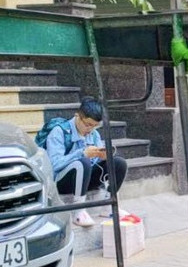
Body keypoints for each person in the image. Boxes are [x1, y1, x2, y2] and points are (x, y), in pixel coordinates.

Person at [45, 96, 128, 228]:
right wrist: (82, 153)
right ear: (77, 116)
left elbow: (94, 160)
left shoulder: (94, 134)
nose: (90, 129)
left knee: (118, 163)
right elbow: (54, 164)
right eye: (88, 124)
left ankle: (108, 206)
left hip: (85, 178)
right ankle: (79, 211)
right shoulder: (59, 132)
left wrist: (101, 156)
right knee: (82, 162)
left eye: (95, 126)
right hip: (63, 181)